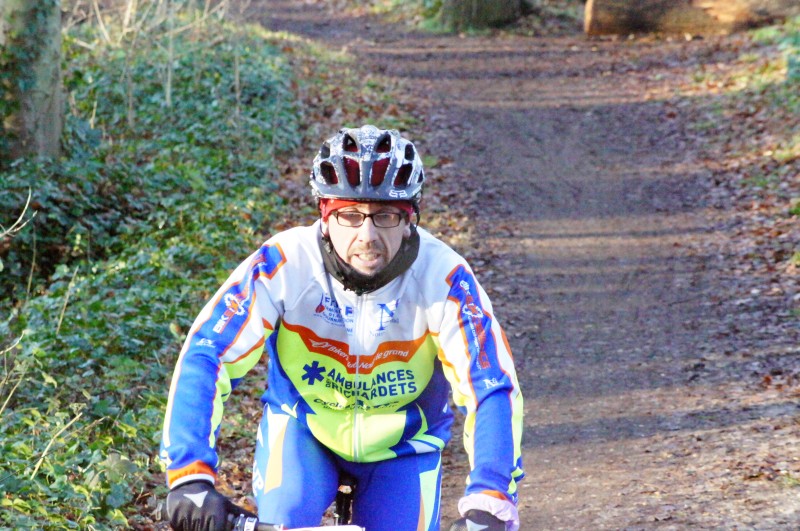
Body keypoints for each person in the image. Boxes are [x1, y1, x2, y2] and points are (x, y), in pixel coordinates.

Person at [159, 125, 524, 531]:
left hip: (404, 449)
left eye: (385, 215)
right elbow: (208, 352)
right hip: (304, 432)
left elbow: (491, 385)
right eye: (349, 215)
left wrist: (491, 496)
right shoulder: (284, 263)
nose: (367, 236)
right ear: (324, 216)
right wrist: (189, 474)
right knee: (284, 516)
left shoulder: (445, 278)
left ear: (409, 219)